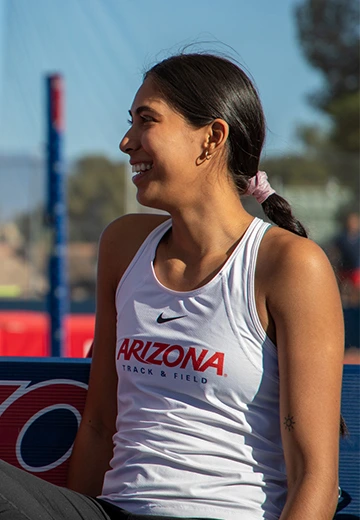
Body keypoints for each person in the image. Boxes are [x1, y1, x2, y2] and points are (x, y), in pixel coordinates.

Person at [0, 52, 345, 519]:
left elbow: (315, 479)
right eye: (131, 122)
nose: (126, 142)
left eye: (147, 121)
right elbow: (101, 424)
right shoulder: (123, 244)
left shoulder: (290, 265)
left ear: (212, 138)